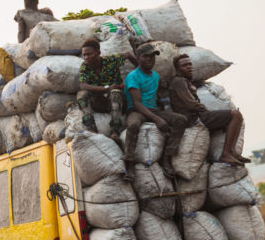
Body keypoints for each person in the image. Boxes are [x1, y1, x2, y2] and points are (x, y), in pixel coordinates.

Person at [169, 54, 251, 166]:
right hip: (193, 118)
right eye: (185, 65)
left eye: (190, 64)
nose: (189, 67)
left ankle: (232, 152)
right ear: (178, 69)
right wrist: (206, 111)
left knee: (235, 117)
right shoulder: (179, 81)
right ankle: (226, 154)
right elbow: (191, 104)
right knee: (235, 114)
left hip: (196, 115)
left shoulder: (185, 81)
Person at [124, 44, 188, 180]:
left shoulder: (156, 76)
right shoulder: (133, 76)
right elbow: (137, 103)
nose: (150, 59)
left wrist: (162, 110)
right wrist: (157, 119)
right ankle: (128, 163)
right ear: (138, 58)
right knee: (133, 125)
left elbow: (154, 96)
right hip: (137, 110)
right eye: (146, 56)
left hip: (153, 109)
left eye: (152, 56)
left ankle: (167, 157)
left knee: (181, 120)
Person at [78, 38, 138, 142]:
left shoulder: (111, 60)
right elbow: (83, 85)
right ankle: (92, 129)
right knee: (81, 95)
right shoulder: (85, 67)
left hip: (116, 101)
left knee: (115, 93)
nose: (86, 57)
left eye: (89, 54)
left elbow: (128, 54)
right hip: (98, 101)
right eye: (84, 55)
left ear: (98, 53)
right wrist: (106, 88)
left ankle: (115, 131)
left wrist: (139, 69)